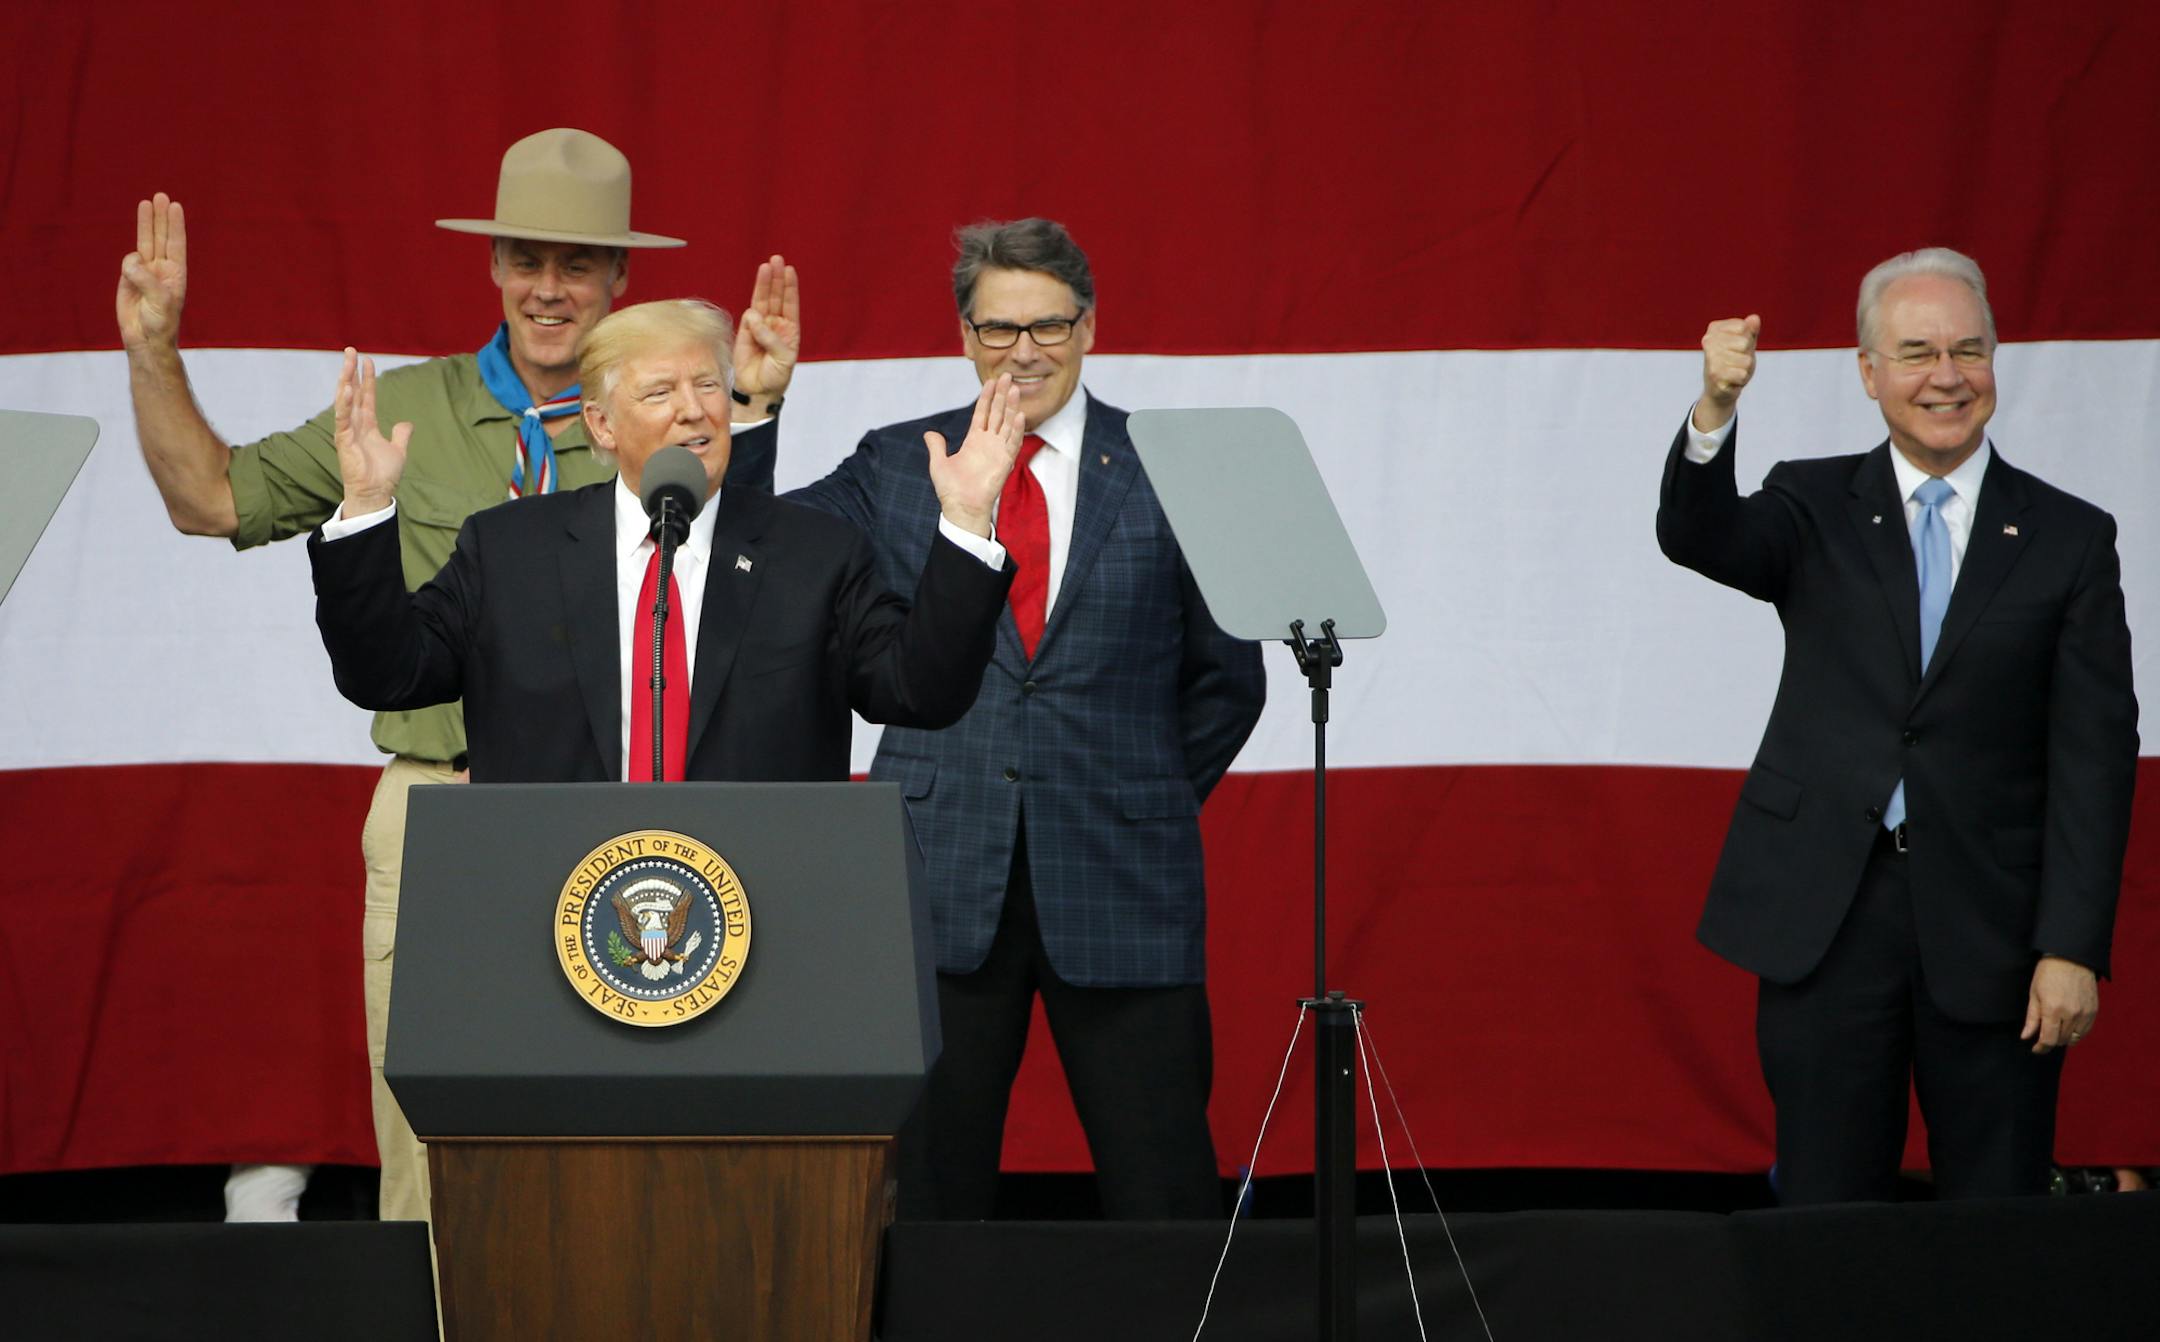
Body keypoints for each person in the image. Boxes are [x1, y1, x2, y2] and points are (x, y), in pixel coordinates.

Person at [114, 127, 799, 1222]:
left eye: (579, 264)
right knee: (435, 1152)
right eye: (527, 257)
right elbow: (210, 499)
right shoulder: (407, 413)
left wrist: (754, 414)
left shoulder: (662, 412)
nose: (549, 288)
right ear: (491, 265)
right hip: (440, 802)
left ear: (621, 276)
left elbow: (748, 588)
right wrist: (154, 348)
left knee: (630, 1147)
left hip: (621, 819)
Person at [786, 219, 1267, 1219]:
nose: (1025, 351)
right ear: (965, 336)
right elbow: (764, 547)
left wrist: (1142, 791)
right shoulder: (895, 464)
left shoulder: (1174, 466)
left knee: (1165, 1188)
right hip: (936, 872)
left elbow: (1230, 683)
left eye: (1048, 325)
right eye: (999, 328)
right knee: (928, 1197)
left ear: (1089, 327)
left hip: (1123, 875)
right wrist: (750, 409)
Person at [1657, 247, 2138, 1203]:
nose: (1946, 376)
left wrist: (2072, 946)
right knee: (1828, 1220)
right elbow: (1698, 537)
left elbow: (2095, 756)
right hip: (1829, 917)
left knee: (1996, 1223)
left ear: (1996, 362)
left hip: (1997, 931)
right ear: (1870, 373)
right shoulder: (1811, 501)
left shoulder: (2071, 537)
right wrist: (1714, 410)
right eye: (1916, 352)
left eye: (1968, 349)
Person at [309, 298, 1019, 789]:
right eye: (660, 394)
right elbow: (386, 676)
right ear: (602, 424)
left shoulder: (814, 553)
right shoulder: (508, 551)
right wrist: (369, 505)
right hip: (554, 900)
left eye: (708, 384)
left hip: (758, 904)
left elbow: (920, 692)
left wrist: (963, 520)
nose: (695, 410)